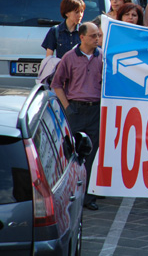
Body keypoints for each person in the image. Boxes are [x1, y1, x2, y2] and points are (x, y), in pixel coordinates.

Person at [51, 22, 103, 210]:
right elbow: (56, 84)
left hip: (95, 110)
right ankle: (69, 194)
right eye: (93, 36)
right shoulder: (69, 57)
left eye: (98, 35)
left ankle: (87, 198)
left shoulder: (102, 57)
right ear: (82, 37)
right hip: (76, 110)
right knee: (71, 155)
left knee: (91, 156)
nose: (97, 39)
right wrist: (68, 107)